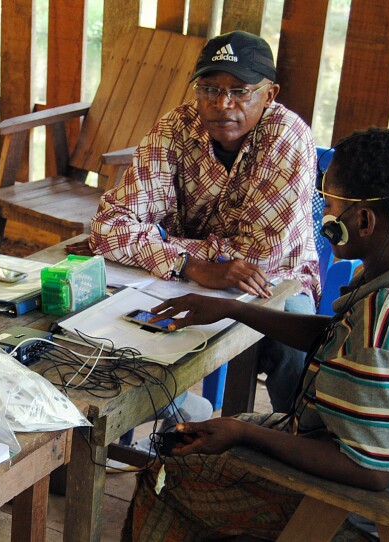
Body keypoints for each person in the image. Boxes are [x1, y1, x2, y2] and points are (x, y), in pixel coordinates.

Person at [123, 127, 389, 541]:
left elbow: (366, 470)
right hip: (369, 454)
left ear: (362, 220)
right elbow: (338, 337)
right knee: (209, 436)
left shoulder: (385, 325)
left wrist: (247, 434)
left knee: (169, 471)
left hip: (367, 510)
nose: (322, 213)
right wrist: (234, 308)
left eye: (331, 204)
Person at [71, 30, 320, 417]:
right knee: (102, 323)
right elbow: (107, 227)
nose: (222, 104)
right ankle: (189, 420)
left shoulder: (287, 137)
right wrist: (191, 265)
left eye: (240, 91)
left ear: (269, 95)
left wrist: (158, 240)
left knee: (291, 348)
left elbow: (255, 258)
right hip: (176, 275)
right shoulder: (175, 128)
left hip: (273, 283)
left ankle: (297, 433)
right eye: (209, 89)